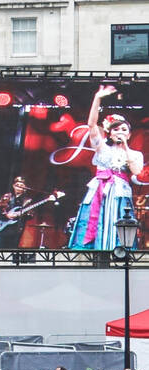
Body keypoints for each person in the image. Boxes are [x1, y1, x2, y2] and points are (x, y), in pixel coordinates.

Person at [69, 85, 144, 250]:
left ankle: (119, 250)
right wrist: (98, 98)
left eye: (124, 130)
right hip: (99, 190)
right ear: (110, 133)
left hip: (120, 192)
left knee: (120, 222)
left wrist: (124, 146)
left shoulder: (135, 154)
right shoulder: (102, 147)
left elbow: (137, 171)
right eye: (116, 129)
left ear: (130, 134)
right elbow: (91, 125)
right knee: (92, 218)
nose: (120, 132)